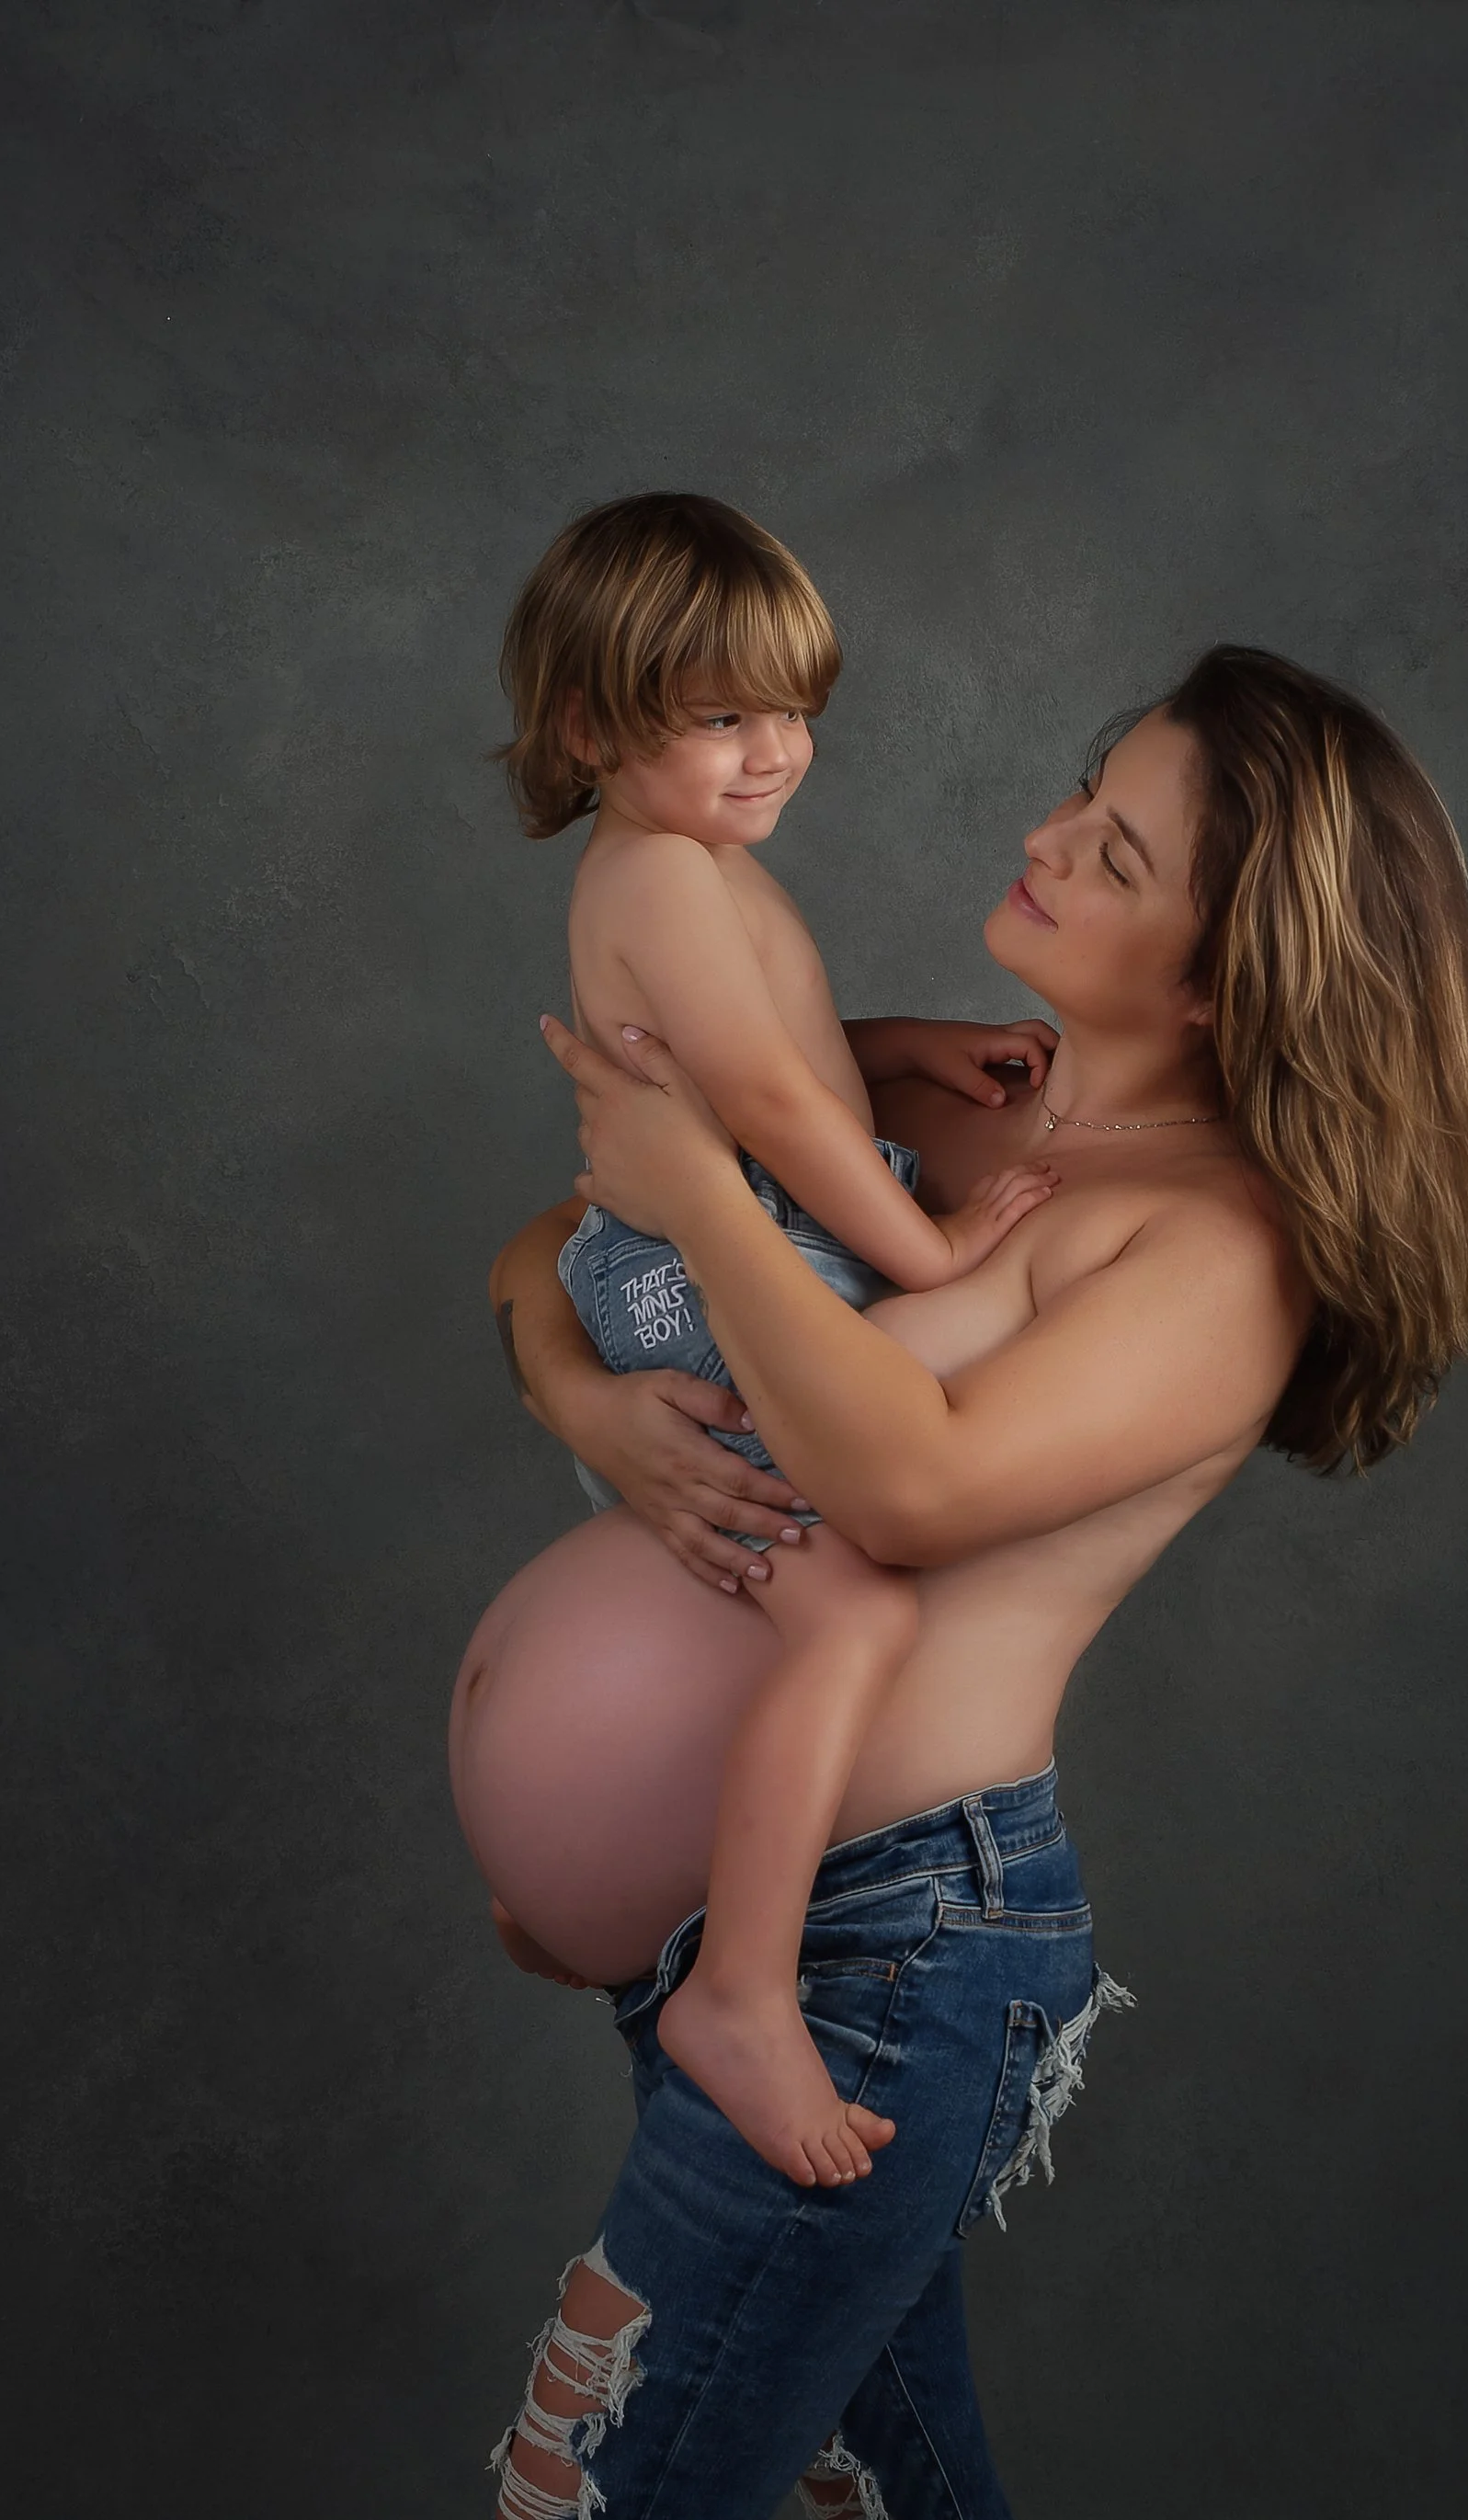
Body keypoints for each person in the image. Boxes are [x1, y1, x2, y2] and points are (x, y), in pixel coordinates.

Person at [458, 645, 1468, 2519]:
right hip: (738, 1928)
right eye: (1079, 791)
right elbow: (548, 1250)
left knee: (616, 2490)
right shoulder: (982, 1130)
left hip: (881, 1955)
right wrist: (589, 1400)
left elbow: (911, 1484)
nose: (1041, 834)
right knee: (870, 2490)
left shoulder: (1206, 1249)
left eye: (1112, 852)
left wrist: (707, 1203)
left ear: (1222, 975)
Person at [487, 492, 1058, 2190]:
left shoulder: (694, 865)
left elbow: (790, 1054)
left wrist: (908, 1047)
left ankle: (624, 1907)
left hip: (738, 1233)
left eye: (794, 708)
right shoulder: (662, 872)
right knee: (849, 1620)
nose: (774, 752)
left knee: (818, 1600)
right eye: (722, 715)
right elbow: (765, 1116)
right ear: (594, 726)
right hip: (697, 1270)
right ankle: (733, 1991)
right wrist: (930, 1236)